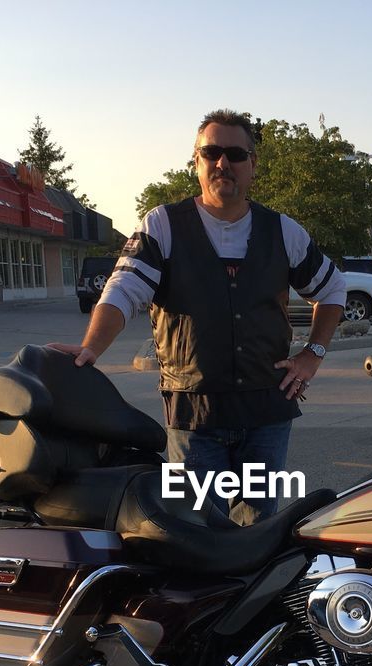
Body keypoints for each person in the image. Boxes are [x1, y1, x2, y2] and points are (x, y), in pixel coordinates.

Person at [50, 108, 345, 525]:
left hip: (266, 413)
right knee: (193, 529)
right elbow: (124, 291)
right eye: (211, 152)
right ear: (197, 162)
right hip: (193, 417)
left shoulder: (283, 232)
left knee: (259, 529)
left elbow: (332, 289)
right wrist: (90, 347)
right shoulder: (163, 226)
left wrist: (312, 353)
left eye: (235, 154)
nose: (223, 163)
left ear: (252, 165)